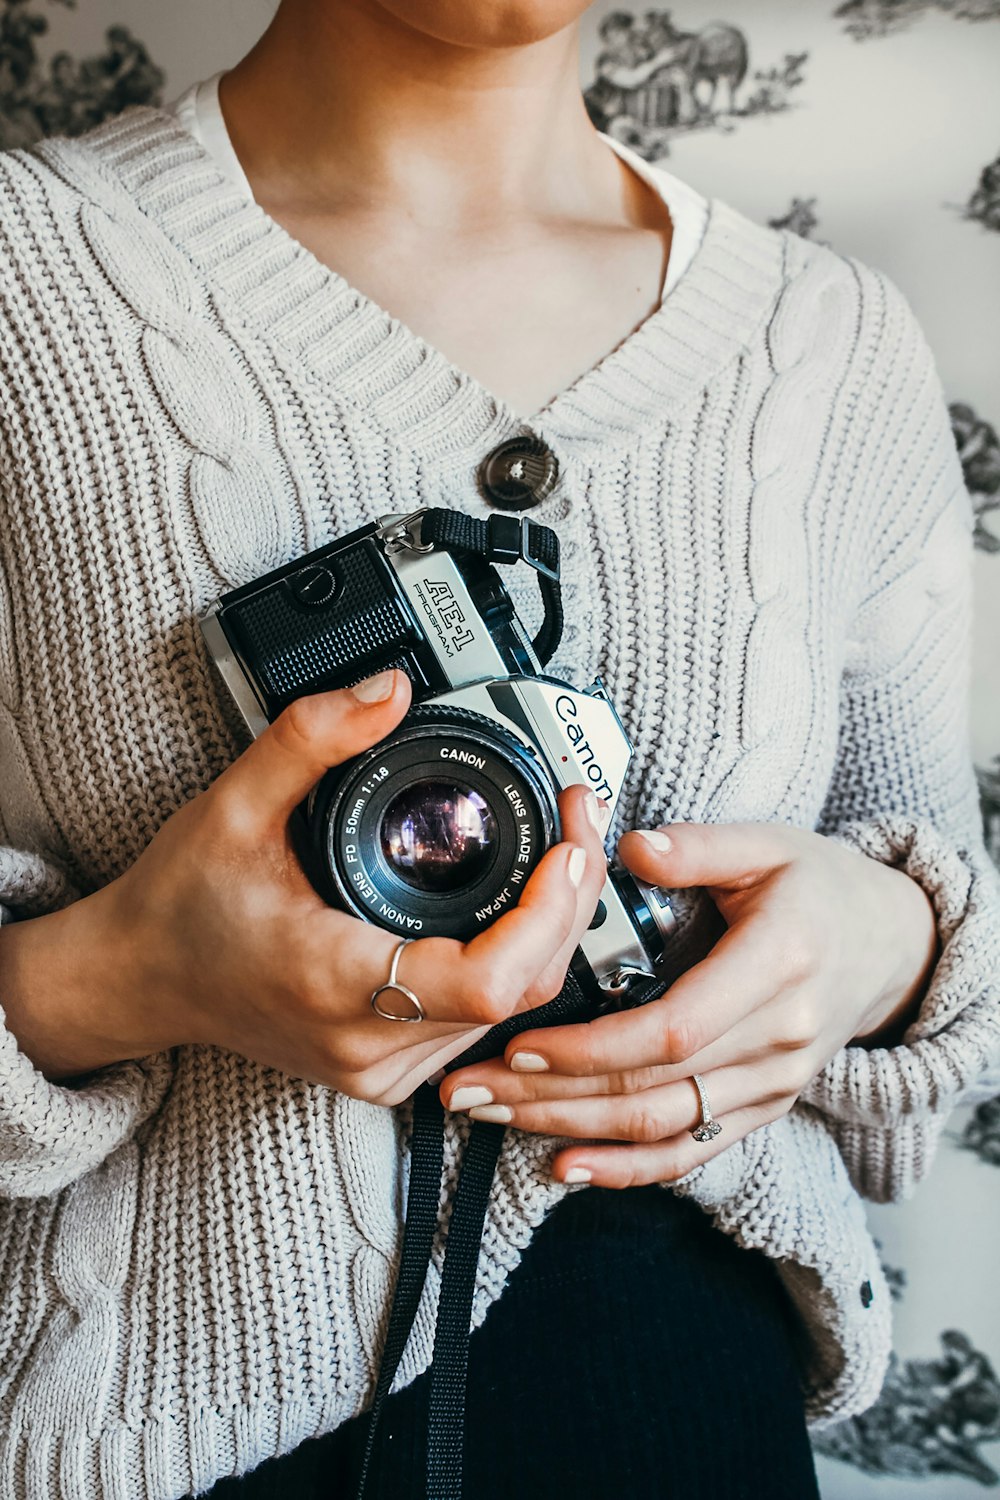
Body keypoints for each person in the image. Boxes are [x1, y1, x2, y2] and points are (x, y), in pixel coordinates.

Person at [0, 2, 997, 1497]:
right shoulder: (31, 278)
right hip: (151, 1436)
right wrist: (126, 975)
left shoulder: (832, 344)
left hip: (684, 1405)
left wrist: (887, 935)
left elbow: (940, 914)